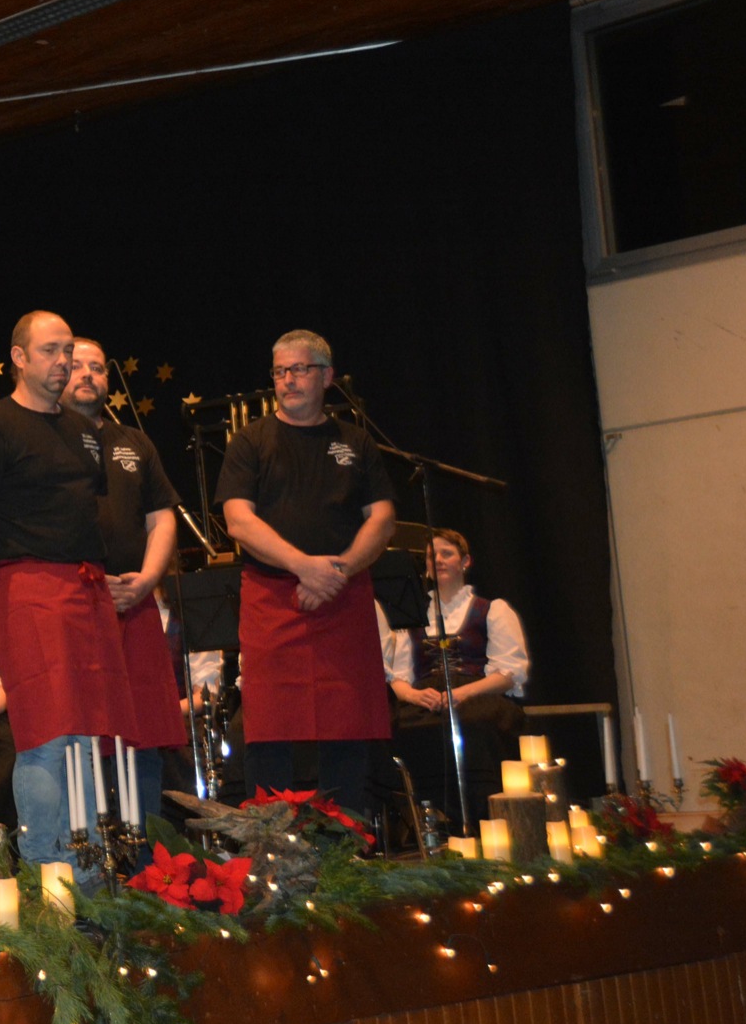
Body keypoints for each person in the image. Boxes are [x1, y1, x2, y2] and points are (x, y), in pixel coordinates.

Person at [0, 312, 132, 873]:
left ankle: (85, 871)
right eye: (51, 351)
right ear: (18, 357)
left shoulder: (86, 432)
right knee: (46, 735)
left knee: (86, 735)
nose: (63, 363)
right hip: (27, 589)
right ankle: (44, 869)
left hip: (84, 591)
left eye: (68, 351)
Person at [214, 330, 397, 813]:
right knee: (270, 728)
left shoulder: (355, 440)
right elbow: (238, 520)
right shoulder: (249, 442)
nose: (288, 380)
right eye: (280, 371)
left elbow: (382, 518)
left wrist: (338, 572)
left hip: (343, 596)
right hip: (274, 598)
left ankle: (347, 850)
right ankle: (271, 851)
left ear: (327, 376)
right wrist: (304, 568)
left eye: (299, 369)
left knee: (347, 726)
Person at [62, 337, 186, 822]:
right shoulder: (43, 437)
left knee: (144, 736)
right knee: (80, 738)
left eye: (97, 367)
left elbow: (163, 518)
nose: (88, 374)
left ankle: (151, 869)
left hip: (135, 604)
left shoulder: (134, 442)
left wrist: (148, 579)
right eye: (76, 366)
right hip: (73, 605)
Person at [377, 528, 530, 823]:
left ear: (466, 561)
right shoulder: (413, 616)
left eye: (447, 553)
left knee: (473, 725)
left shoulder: (492, 610)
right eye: (433, 556)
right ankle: (426, 820)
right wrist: (414, 695)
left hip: (476, 695)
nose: (439, 560)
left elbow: (509, 673)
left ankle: (483, 819)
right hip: (427, 699)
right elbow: (395, 677)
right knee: (400, 729)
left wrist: (461, 693)